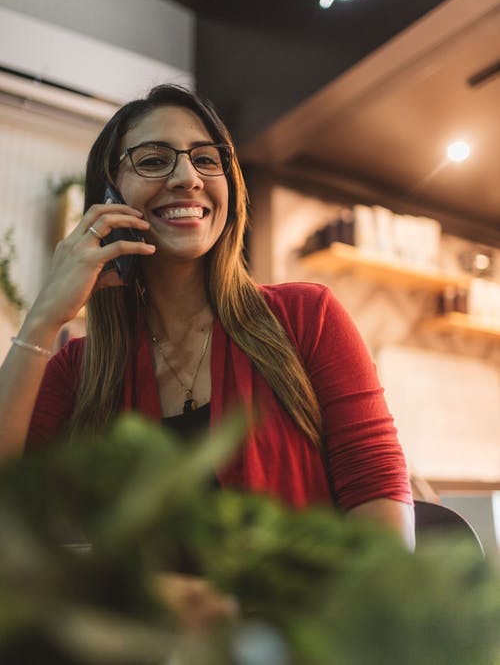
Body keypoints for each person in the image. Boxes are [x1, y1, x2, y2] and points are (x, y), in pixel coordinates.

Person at [0, 84, 414, 552]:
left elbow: (377, 494)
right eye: (154, 160)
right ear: (109, 197)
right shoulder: (80, 370)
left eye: (206, 159)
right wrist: (43, 318)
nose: (187, 177)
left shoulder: (306, 316)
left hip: (298, 621)